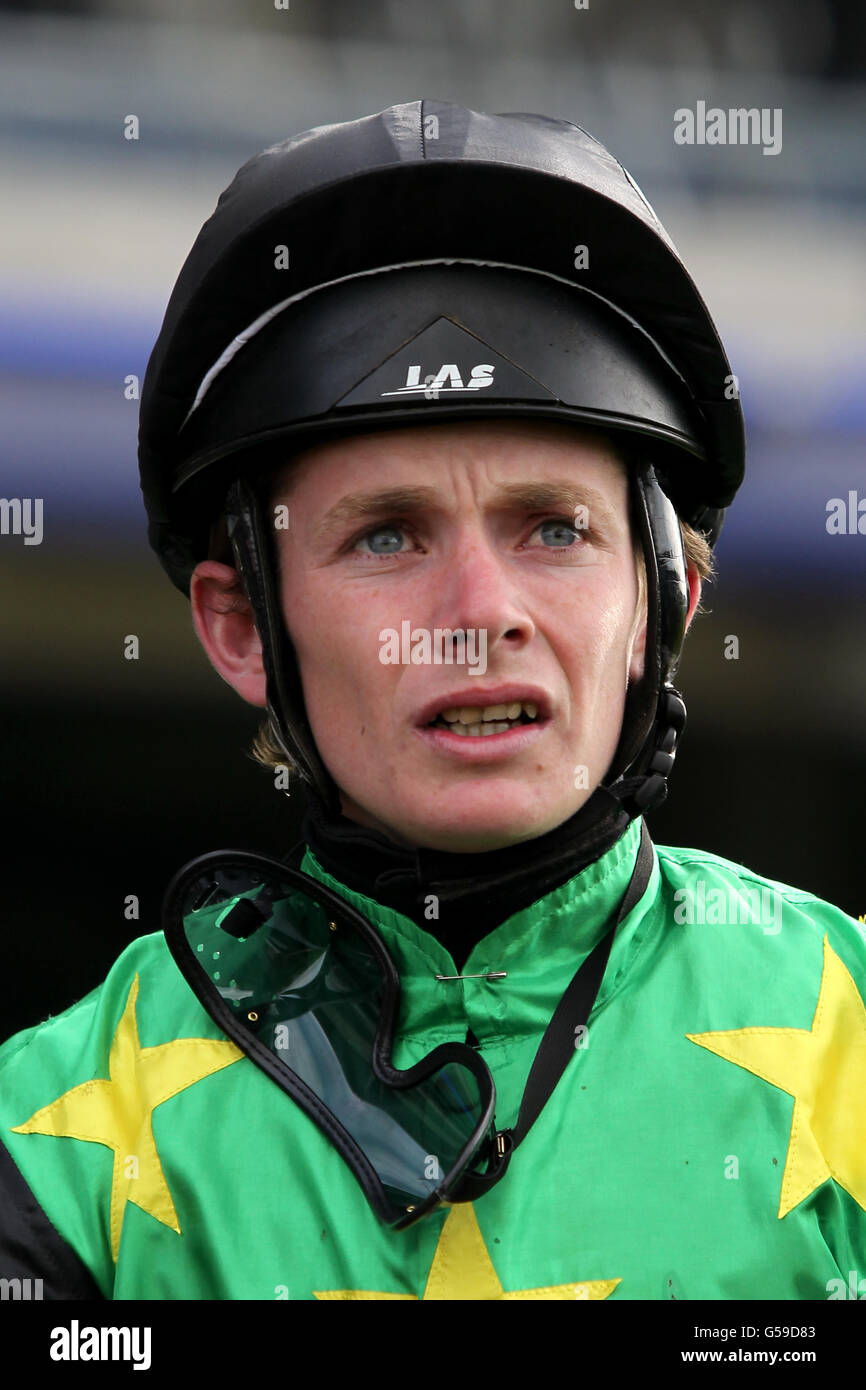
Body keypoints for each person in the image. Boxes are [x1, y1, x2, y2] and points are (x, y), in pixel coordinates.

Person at [1, 100, 863, 1302]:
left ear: (668, 598)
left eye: (552, 528)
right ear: (242, 627)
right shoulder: (49, 1139)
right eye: (388, 535)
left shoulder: (850, 1031)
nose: (475, 608)